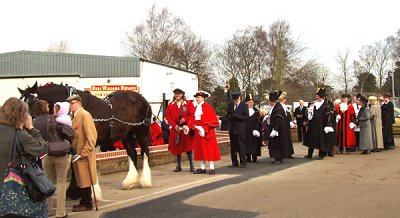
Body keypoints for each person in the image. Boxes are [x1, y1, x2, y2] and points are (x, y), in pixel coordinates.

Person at [33, 100, 73, 218]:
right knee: (61, 182)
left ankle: (48, 211)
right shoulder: (55, 118)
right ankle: (60, 213)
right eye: (47, 105)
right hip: (61, 153)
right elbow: (69, 134)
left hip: (46, 154)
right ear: (44, 107)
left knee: (48, 183)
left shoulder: (35, 121)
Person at [0, 97, 48, 186]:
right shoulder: (20, 135)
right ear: (21, 116)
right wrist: (31, 128)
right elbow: (42, 148)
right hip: (11, 186)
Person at [67, 94, 98, 212]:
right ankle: (84, 201)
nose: (70, 106)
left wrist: (84, 153)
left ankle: (87, 203)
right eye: (69, 104)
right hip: (77, 154)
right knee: (81, 180)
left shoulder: (85, 115)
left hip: (83, 154)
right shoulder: (74, 116)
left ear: (78, 103)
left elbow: (92, 137)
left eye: (72, 103)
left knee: (85, 180)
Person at [188, 91, 221, 175]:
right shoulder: (195, 108)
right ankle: (202, 167)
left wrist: (204, 128)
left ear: (203, 98)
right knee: (200, 149)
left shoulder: (207, 107)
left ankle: (211, 167)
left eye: (198, 97)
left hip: (207, 132)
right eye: (197, 97)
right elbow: (192, 120)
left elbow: (213, 120)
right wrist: (189, 126)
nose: (197, 99)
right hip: (198, 132)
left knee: (209, 150)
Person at [166, 88, 195, 172]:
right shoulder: (171, 105)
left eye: (179, 93)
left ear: (182, 94)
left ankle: (191, 165)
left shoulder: (188, 104)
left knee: (188, 147)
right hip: (176, 129)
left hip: (185, 128)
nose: (177, 95)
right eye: (176, 94)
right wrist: (175, 126)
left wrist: (185, 120)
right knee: (177, 147)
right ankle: (178, 165)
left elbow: (192, 115)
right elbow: (169, 117)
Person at [304, 88, 333, 160]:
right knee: (311, 139)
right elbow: (309, 114)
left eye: (317, 96)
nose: (316, 97)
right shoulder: (313, 104)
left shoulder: (326, 105)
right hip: (312, 124)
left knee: (321, 140)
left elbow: (329, 116)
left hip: (321, 125)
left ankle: (322, 154)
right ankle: (309, 154)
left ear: (320, 96)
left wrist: (328, 125)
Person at [226, 91, 249, 168]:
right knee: (233, 147)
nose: (234, 101)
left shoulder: (244, 105)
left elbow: (246, 117)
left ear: (239, 98)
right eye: (233, 99)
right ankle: (234, 162)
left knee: (241, 146)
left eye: (235, 99)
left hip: (240, 129)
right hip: (232, 128)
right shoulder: (230, 104)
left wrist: (236, 116)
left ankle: (243, 162)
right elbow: (228, 114)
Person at [267, 90, 287, 164]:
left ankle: (278, 158)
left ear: (272, 101)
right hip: (275, 128)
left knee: (277, 143)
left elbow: (278, 119)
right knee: (275, 143)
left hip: (278, 130)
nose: (269, 103)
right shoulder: (275, 107)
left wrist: (275, 129)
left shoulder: (278, 108)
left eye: (270, 101)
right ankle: (277, 158)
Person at [244, 94, 262, 163]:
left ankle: (254, 157)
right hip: (246, 130)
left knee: (255, 144)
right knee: (247, 144)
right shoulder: (244, 110)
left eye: (252, 102)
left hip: (254, 130)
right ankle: (248, 157)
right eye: (250, 102)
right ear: (246, 103)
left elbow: (259, 121)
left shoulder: (256, 111)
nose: (251, 103)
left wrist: (256, 129)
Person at [279, 92, 295, 159]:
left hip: (286, 125)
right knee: (284, 140)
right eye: (284, 99)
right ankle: (284, 153)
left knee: (288, 139)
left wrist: (291, 121)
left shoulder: (284, 106)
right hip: (283, 125)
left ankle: (289, 153)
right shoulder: (279, 106)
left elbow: (288, 114)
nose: (285, 100)